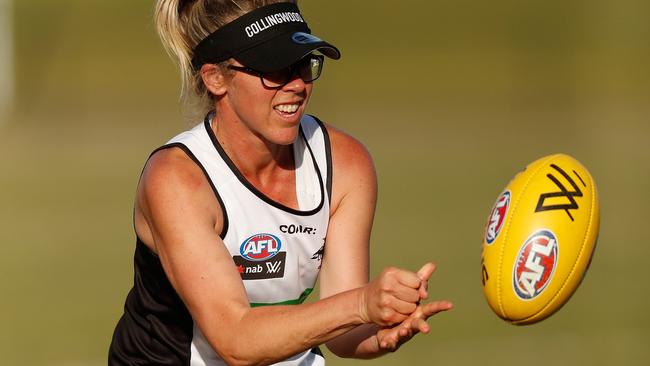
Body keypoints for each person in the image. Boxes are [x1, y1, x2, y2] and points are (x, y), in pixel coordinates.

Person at [108, 0, 453, 365]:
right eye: (274, 69)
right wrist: (361, 304)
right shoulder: (177, 179)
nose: (297, 85)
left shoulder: (346, 163)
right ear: (215, 78)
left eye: (303, 65)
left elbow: (344, 333)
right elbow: (235, 339)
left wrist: (380, 328)